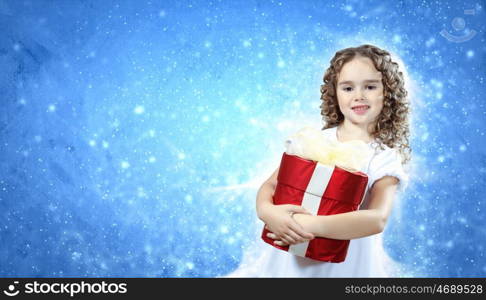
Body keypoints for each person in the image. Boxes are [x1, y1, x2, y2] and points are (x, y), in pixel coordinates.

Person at [226, 44, 411, 277]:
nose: (358, 96)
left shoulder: (383, 158)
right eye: (347, 88)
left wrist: (309, 226)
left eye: (370, 86)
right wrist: (267, 212)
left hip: (343, 270)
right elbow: (271, 185)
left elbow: (377, 218)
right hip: (287, 265)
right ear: (335, 92)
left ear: (388, 92)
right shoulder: (311, 141)